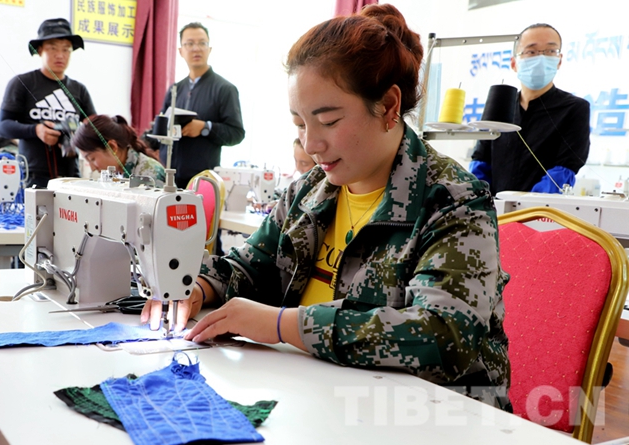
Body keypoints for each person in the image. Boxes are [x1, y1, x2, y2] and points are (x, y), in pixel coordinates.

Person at [142, 4, 511, 410]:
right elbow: (250, 266)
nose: (310, 144)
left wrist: (282, 324)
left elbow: (442, 336)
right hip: (320, 401)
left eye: (329, 121)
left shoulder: (453, 201)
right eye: (300, 124)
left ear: (389, 106)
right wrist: (196, 288)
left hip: (432, 416)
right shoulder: (309, 191)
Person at [469, 23, 590, 195]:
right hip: (493, 207)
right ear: (514, 63)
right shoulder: (499, 107)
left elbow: (565, 168)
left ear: (559, 60)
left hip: (541, 208)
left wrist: (528, 205)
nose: (541, 58)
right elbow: (480, 162)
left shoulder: (574, 109)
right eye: (531, 52)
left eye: (550, 51)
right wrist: (482, 201)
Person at [0, 18, 96, 188]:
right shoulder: (23, 83)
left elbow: (93, 126)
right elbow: (2, 127)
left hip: (71, 176)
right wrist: (36, 130)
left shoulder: (79, 89)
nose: (60, 55)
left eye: (66, 49)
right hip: (32, 176)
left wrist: (79, 133)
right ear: (40, 50)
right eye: (53, 48)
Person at [159, 22, 245, 189]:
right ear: (181, 51)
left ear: (209, 49)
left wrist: (205, 127)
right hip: (168, 178)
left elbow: (237, 133)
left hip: (202, 182)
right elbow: (162, 128)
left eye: (202, 43)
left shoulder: (225, 89)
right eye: (189, 43)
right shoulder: (175, 89)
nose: (196, 48)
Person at [71, 114, 166, 186]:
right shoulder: (116, 173)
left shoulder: (149, 175)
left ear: (112, 147)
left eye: (92, 159)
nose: (93, 168)